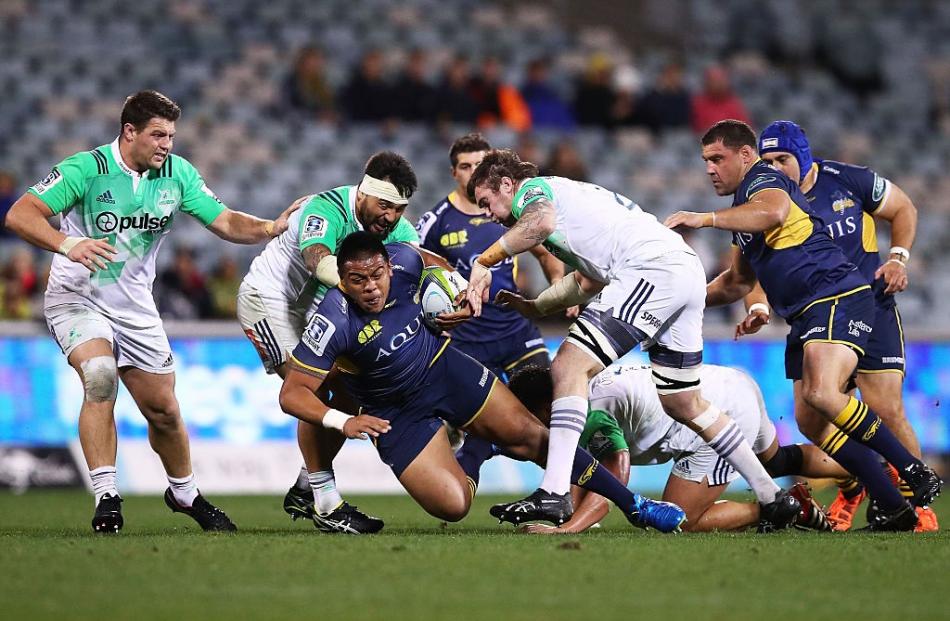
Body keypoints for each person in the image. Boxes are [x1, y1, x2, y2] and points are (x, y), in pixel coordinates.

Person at [3, 90, 300, 533]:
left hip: (136, 307)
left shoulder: (177, 175)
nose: (167, 144)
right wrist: (69, 244)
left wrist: (269, 227)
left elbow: (223, 221)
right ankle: (107, 495)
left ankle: (184, 493)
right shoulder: (86, 169)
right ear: (129, 132)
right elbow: (20, 214)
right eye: (158, 134)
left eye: (172, 136)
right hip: (76, 297)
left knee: (163, 410)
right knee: (100, 375)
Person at [464, 149, 799, 529]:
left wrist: (483, 261)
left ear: (507, 184)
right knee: (683, 401)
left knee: (569, 365)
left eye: (487, 202)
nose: (487, 213)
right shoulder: (575, 211)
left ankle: (555, 492)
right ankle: (772, 496)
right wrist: (536, 307)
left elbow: (538, 223)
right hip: (681, 270)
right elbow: (586, 280)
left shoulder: (535, 192)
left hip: (651, 268)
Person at [278, 233, 687, 533]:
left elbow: (430, 261)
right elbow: (292, 393)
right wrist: (344, 422)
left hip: (445, 371)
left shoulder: (404, 261)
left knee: (534, 436)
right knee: (453, 506)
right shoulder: (333, 319)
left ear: (388, 264)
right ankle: (477, 443)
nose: (370, 288)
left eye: (377, 275)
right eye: (357, 280)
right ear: (341, 280)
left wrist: (457, 293)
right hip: (395, 413)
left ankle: (634, 505)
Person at [665, 119, 942, 531]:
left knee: (828, 394)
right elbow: (739, 282)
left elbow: (774, 211)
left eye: (717, 158)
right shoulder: (746, 207)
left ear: (745, 155)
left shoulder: (763, 182)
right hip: (805, 312)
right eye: (705, 160)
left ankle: (914, 475)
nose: (709, 168)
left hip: (835, 295)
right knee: (811, 416)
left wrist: (703, 218)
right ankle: (893, 507)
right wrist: (678, 299)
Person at [751, 120, 936, 532]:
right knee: (810, 420)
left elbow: (903, 207)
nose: (775, 168)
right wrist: (759, 304)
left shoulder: (848, 180)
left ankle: (914, 505)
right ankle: (855, 479)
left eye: (782, 159)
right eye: (767, 161)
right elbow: (750, 271)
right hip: (808, 314)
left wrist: (898, 258)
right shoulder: (765, 203)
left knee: (886, 408)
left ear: (802, 155)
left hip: (868, 304)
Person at [237, 152, 422, 534]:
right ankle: (325, 502)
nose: (390, 217)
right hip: (269, 302)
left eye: (399, 209)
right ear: (364, 193)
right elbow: (316, 259)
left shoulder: (399, 233)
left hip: (316, 314)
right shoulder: (327, 207)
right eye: (384, 205)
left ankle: (307, 487)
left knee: (353, 387)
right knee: (311, 390)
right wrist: (360, 286)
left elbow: (413, 272)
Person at [510, 364, 842, 533]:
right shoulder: (580, 383)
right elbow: (585, 469)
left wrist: (568, 528)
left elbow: (615, 471)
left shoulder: (590, 409)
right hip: (728, 383)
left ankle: (783, 508)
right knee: (779, 461)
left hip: (718, 419)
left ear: (543, 406)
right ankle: (873, 468)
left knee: (682, 518)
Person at [416, 134, 566, 381]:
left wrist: (559, 285)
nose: (474, 172)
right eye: (466, 166)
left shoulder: (510, 212)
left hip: (516, 330)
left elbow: (545, 252)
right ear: (454, 172)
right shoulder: (434, 222)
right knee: (491, 419)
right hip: (466, 340)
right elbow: (414, 276)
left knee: (544, 401)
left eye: (480, 164)